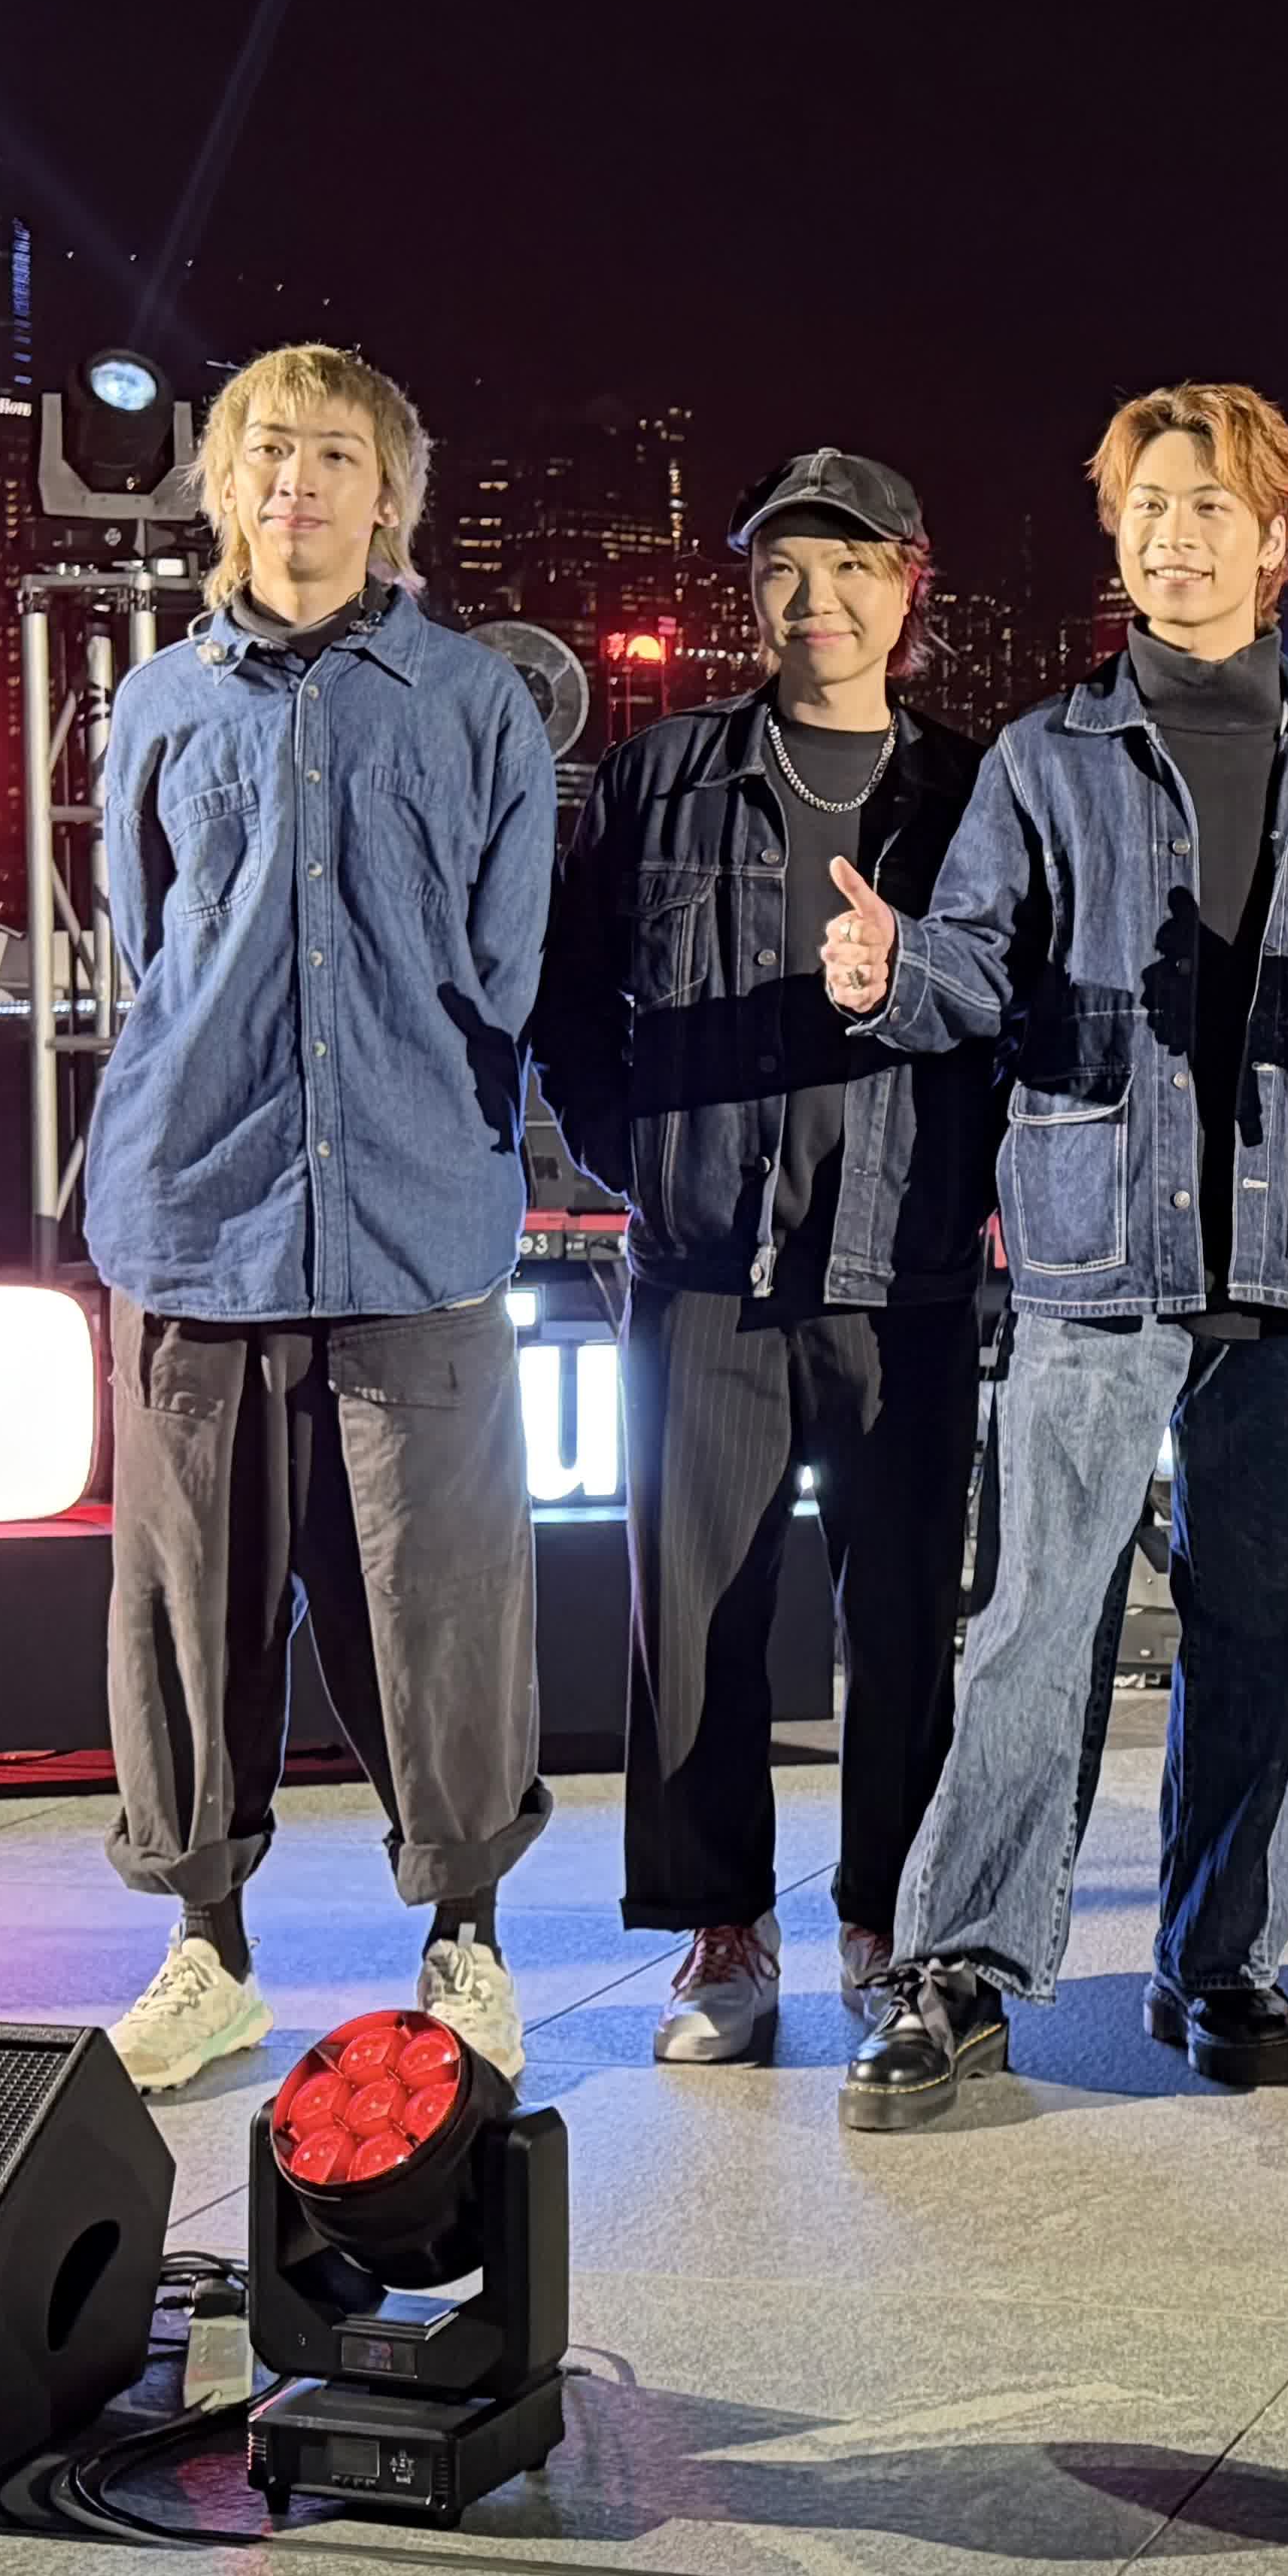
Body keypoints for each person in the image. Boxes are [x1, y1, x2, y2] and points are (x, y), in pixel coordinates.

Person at [819, 383, 1288, 2129]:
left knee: (1269, 1628)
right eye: (1147, 506)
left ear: (1278, 534)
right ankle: (962, 1967)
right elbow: (973, 961)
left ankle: (1220, 1959)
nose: (1174, 535)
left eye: (1209, 506)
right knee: (1035, 1623)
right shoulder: (1044, 754)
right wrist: (894, 973)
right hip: (1092, 1250)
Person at [87, 342, 554, 2091]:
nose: (300, 480)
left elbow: (504, 963)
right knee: (186, 1604)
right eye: (269, 451)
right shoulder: (158, 705)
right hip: (195, 1214)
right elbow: (149, 940)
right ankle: (206, 1951)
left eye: (337, 453)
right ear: (226, 487)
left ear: (391, 495)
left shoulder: (474, 703)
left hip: (417, 1217)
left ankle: (466, 1939)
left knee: (446, 1600)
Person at [536, 450, 996, 2064]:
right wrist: (637, 1156)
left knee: (903, 1623)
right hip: (704, 1268)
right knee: (695, 1613)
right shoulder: (661, 777)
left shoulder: (970, 789)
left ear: (908, 581)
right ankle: (721, 1927)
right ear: (749, 590)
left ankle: (887, 1915)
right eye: (786, 569)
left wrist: (974, 1178)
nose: (819, 601)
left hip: (903, 1270)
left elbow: (1015, 1003)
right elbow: (569, 993)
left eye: (852, 566)